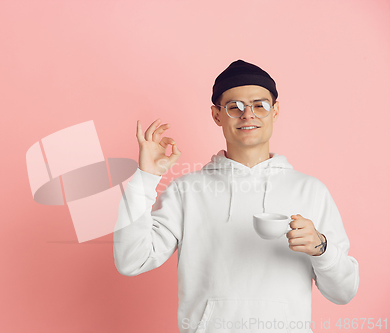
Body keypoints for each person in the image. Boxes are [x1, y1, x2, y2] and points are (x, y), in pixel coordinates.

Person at [113, 59, 359, 333]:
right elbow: (131, 260)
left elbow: (344, 292)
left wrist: (321, 248)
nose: (248, 115)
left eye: (260, 105)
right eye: (234, 107)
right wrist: (146, 177)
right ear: (217, 115)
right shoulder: (187, 191)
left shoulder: (311, 191)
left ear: (275, 111)